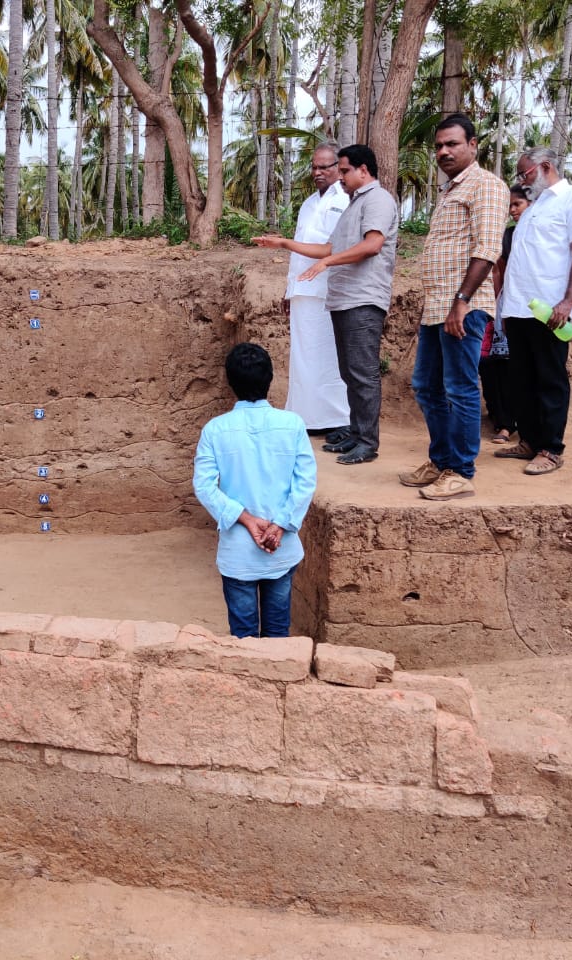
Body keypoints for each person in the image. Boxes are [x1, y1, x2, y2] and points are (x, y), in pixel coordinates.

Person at [255, 144, 398, 465]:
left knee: (362, 372)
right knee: (349, 371)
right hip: (344, 297)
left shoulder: (378, 199)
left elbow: (372, 244)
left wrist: (328, 262)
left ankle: (366, 441)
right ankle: (356, 433)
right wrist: (283, 243)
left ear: (364, 170)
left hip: (364, 296)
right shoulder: (353, 203)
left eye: (344, 171)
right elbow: (330, 246)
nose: (340, 178)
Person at [400, 114, 509, 500]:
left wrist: (461, 303)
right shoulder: (449, 190)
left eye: (453, 144)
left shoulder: (487, 186)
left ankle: (460, 471)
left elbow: (487, 248)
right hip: (438, 307)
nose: (444, 151)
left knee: (460, 388)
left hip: (464, 306)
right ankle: (442, 460)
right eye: (439, 146)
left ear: (473, 145)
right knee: (426, 386)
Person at [193, 342, 317, 638]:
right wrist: (279, 524)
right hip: (281, 546)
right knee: (277, 630)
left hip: (238, 552)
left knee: (243, 634)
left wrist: (246, 519)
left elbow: (204, 485)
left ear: (230, 382)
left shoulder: (215, 430)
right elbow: (305, 481)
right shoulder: (292, 425)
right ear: (270, 378)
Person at [496, 147, 572, 476]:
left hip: (550, 309)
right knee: (520, 380)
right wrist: (505, 309)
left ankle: (550, 448)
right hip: (519, 307)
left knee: (550, 379)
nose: (522, 181)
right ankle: (528, 439)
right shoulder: (535, 207)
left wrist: (568, 301)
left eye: (525, 174)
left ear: (545, 167)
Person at [252, 143, 350, 436]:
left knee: (329, 357)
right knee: (304, 358)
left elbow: (335, 248)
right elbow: (300, 253)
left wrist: (282, 243)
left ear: (338, 167)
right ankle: (309, 418)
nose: (318, 172)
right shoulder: (309, 203)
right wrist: (289, 290)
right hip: (303, 291)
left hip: (328, 289)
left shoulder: (345, 200)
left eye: (325, 167)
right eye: (314, 167)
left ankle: (340, 419)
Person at [481, 185, 531, 445]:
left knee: (519, 368)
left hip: (533, 309)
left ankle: (523, 423)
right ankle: (503, 423)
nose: (512, 211)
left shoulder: (538, 234)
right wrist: (498, 309)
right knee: (493, 365)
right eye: (509, 206)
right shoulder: (508, 236)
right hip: (505, 307)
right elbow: (498, 271)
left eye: (517, 205)